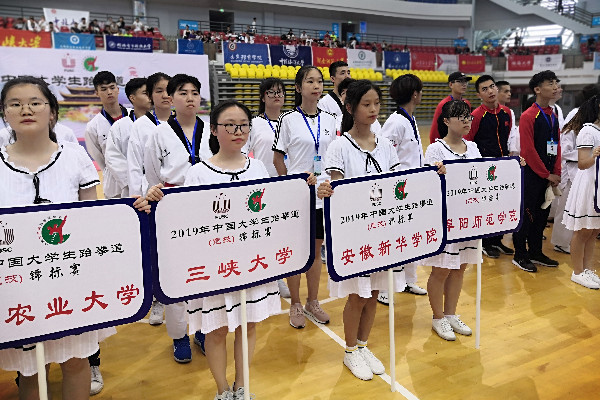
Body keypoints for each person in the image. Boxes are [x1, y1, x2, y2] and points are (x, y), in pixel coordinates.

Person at [147, 100, 310, 400]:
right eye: (230, 125)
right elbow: (186, 220)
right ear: (214, 129)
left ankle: (242, 385)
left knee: (248, 326)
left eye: (243, 125)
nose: (238, 131)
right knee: (216, 330)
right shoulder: (198, 173)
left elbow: (271, 210)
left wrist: (305, 185)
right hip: (215, 269)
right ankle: (222, 390)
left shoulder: (257, 167)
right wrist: (157, 199)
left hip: (251, 265)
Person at [0, 76, 149, 399]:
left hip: (70, 280)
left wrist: (130, 213)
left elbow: (91, 222)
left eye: (35, 102)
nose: (26, 109)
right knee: (30, 370)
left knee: (76, 361)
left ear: (52, 112)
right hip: (18, 285)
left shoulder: (74, 157)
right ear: (5, 113)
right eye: (15, 104)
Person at [317, 80, 408, 380]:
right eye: (366, 104)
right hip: (355, 234)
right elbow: (338, 188)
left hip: (382, 231)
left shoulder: (386, 146)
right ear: (350, 107)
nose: (373, 110)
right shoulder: (340, 146)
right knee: (357, 295)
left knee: (375, 292)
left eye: (376, 104)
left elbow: (398, 185)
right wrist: (326, 189)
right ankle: (350, 350)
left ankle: (363, 345)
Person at [144, 74, 211, 363]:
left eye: (195, 92)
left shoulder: (211, 129)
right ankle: (179, 335)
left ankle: (204, 328)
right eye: (183, 93)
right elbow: (151, 174)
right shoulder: (159, 134)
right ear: (171, 98)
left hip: (208, 207)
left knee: (207, 271)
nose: (190, 98)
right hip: (172, 207)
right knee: (176, 274)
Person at [273, 65, 337, 328]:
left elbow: (333, 156)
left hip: (324, 194)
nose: (316, 85)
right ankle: (296, 303)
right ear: (298, 88)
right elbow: (278, 158)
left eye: (319, 81)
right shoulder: (288, 119)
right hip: (298, 196)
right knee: (297, 251)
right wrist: (291, 185)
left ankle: (313, 301)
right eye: (310, 81)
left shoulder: (331, 119)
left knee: (316, 249)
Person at [422, 100, 480, 341]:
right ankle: (438, 317)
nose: (467, 121)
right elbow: (427, 184)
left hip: (468, 218)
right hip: (445, 219)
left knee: (460, 267)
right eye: (460, 117)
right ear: (446, 121)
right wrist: (437, 174)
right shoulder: (436, 150)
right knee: (442, 269)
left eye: (468, 116)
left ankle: (451, 313)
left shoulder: (473, 147)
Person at [377, 74, 429, 305]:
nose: (422, 94)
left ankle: (409, 280)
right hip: (398, 189)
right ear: (415, 94)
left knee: (411, 236)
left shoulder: (411, 119)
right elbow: (384, 154)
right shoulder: (396, 122)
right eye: (420, 90)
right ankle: (385, 287)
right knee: (393, 237)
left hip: (413, 187)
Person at [127, 72, 172, 328]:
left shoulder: (182, 123)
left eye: (169, 90)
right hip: (150, 197)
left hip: (178, 198)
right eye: (159, 91)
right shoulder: (141, 125)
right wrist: (139, 197)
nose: (165, 95)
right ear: (151, 96)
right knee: (155, 249)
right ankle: (157, 298)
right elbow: (134, 165)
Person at [243, 77, 291, 298]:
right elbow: (243, 153)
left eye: (280, 92)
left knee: (281, 234)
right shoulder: (254, 123)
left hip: (286, 184)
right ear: (263, 97)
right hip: (262, 187)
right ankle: (262, 274)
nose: (276, 96)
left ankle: (279, 275)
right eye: (271, 92)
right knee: (263, 233)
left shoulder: (290, 121)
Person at [512, 71, 561, 273]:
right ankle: (520, 255)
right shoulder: (528, 115)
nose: (555, 86)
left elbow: (557, 145)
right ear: (538, 89)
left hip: (548, 175)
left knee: (542, 216)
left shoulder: (553, 115)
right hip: (532, 175)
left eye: (556, 82)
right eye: (551, 83)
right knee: (527, 216)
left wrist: (556, 172)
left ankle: (535, 252)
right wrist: (545, 174)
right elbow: (528, 150)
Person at [464, 75, 515, 258]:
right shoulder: (476, 115)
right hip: (484, 169)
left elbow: (507, 137)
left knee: (500, 204)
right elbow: (468, 141)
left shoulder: (506, 112)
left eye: (492, 86)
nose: (490, 91)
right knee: (486, 206)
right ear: (479, 95)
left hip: (503, 166)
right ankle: (485, 243)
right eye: (484, 89)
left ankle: (497, 240)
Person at [552, 84, 600, 254]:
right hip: (573, 170)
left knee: (581, 211)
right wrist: (586, 155)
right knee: (566, 208)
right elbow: (565, 150)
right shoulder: (576, 117)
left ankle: (574, 243)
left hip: (589, 172)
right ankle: (560, 242)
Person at [561, 96, 600, 288]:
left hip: (598, 185)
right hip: (588, 186)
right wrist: (595, 155)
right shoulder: (587, 131)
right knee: (584, 230)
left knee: (594, 231)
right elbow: (583, 163)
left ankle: (587, 269)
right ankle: (577, 272)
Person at [104, 78, 151, 199]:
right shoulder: (120, 126)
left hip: (155, 186)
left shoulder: (160, 124)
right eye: (145, 93)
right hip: (129, 187)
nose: (150, 96)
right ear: (132, 98)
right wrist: (134, 180)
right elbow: (113, 158)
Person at [84, 71, 128, 197]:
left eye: (112, 87)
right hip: (114, 187)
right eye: (103, 89)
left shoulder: (134, 116)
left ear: (118, 89)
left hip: (140, 179)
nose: (109, 92)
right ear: (96, 93)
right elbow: (99, 159)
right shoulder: (93, 127)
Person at [430, 72, 472, 143]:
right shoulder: (443, 104)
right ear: (451, 84)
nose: (464, 84)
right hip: (447, 144)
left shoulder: (467, 103)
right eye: (460, 81)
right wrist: (435, 146)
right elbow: (435, 130)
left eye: (465, 81)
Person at [496, 80, 521, 156]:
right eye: (506, 91)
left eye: (510, 91)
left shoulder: (510, 112)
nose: (509, 94)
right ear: (496, 92)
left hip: (507, 150)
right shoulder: (488, 111)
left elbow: (512, 132)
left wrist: (512, 149)